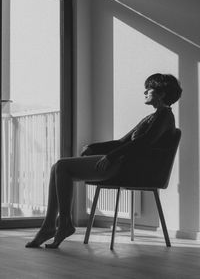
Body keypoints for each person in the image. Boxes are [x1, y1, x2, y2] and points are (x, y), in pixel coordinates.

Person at [25, 73, 182, 249]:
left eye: (149, 88)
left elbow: (142, 143)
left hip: (127, 168)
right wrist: (94, 147)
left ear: (161, 93)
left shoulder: (164, 117)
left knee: (62, 166)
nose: (144, 92)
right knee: (57, 167)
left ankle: (62, 224)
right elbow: (123, 142)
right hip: (122, 163)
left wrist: (110, 156)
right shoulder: (153, 117)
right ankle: (50, 226)